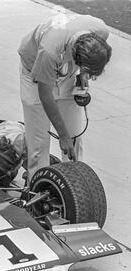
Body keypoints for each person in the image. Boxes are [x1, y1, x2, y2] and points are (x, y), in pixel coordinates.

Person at [18, 13, 112, 183]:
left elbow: (90, 57)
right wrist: (62, 135)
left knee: (74, 136)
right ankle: (36, 188)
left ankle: (74, 186)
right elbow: (45, 95)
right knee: (39, 143)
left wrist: (83, 73)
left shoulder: (100, 30)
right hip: (34, 72)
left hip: (67, 68)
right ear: (78, 59)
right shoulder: (49, 52)